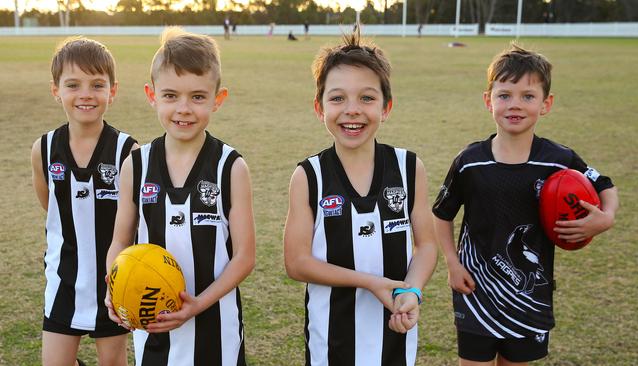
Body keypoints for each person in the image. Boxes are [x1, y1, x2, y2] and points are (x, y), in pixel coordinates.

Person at [432, 43, 619, 366]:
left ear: (546, 104)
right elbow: (442, 214)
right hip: (476, 290)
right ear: (488, 100)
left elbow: (605, 186)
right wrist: (452, 263)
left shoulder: (559, 161)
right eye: (504, 95)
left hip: (530, 296)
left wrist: (606, 218)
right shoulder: (470, 162)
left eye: (528, 96)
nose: (515, 105)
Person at [284, 26, 437, 366]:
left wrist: (411, 290)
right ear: (319, 107)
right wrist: (371, 283)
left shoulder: (409, 167)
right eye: (337, 98)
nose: (352, 110)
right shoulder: (308, 176)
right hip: (331, 344)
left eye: (367, 98)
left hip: (395, 338)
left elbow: (426, 244)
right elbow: (296, 262)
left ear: (387, 107)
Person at [105, 27, 255, 365]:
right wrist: (114, 285)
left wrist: (199, 304)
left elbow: (244, 257)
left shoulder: (230, 167)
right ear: (151, 95)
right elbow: (119, 242)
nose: (183, 108)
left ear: (218, 99)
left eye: (198, 97)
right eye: (170, 95)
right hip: (152, 328)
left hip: (216, 330)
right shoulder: (136, 164)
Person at [30, 36, 138, 366]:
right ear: (56, 90)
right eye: (73, 85)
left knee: (113, 362)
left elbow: (131, 221)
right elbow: (53, 208)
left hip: (113, 283)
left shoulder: (128, 152)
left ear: (113, 91)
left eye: (97, 84)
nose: (86, 94)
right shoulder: (44, 150)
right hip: (64, 282)